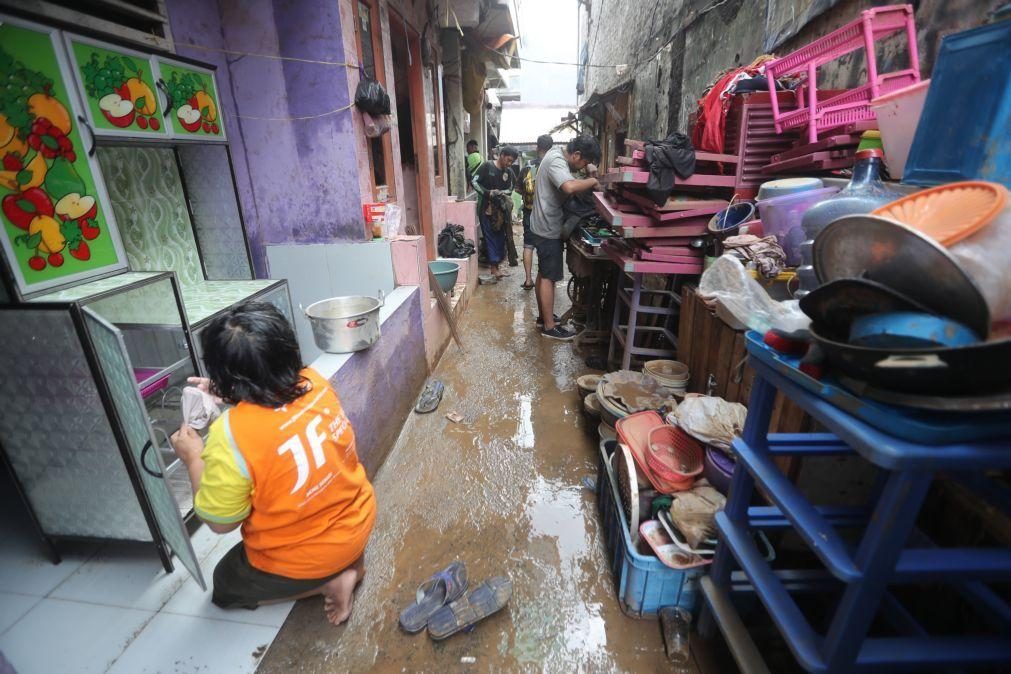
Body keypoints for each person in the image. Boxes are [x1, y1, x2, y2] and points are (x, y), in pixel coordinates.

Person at [170, 302, 376, 625]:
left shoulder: (231, 433)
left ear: (223, 375)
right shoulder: (315, 382)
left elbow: (221, 523)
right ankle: (352, 563)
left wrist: (192, 456)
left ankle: (329, 582)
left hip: (313, 555)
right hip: (360, 521)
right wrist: (235, 391)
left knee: (224, 584)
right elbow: (279, 413)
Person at [529, 135, 601, 340]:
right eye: (584, 162)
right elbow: (569, 187)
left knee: (544, 273)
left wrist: (586, 170)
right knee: (549, 277)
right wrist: (593, 180)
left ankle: (544, 318)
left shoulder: (556, 155)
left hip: (542, 224)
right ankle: (550, 328)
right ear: (576, 154)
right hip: (547, 227)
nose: (583, 167)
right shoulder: (556, 161)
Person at [472, 145, 519, 278]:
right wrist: (487, 193)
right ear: (502, 155)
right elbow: (474, 182)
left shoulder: (508, 172)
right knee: (490, 237)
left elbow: (511, 188)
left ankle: (496, 266)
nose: (509, 164)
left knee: (500, 237)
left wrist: (499, 193)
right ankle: (493, 267)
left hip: (501, 210)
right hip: (486, 208)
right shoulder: (487, 166)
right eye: (508, 160)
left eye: (511, 162)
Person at [517, 134, 553, 289]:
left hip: (529, 211)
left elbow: (518, 189)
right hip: (547, 214)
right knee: (546, 245)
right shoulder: (553, 165)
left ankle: (528, 279)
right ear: (551, 148)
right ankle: (545, 279)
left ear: (537, 147)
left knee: (528, 245)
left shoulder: (527, 166)